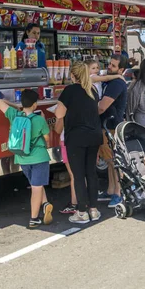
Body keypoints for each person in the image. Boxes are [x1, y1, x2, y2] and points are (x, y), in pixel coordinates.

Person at [0, 90, 53, 228]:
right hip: (39, 158)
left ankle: (45, 204)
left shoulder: (14, 115)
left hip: (21, 158)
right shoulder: (39, 120)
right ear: (35, 105)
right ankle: (34, 218)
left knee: (36, 184)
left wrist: (17, 106)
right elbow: (47, 139)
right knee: (36, 187)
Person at [56, 61, 103, 223]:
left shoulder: (69, 91)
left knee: (78, 175)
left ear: (72, 75)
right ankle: (94, 210)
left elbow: (59, 114)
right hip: (94, 136)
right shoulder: (92, 90)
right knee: (91, 173)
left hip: (76, 137)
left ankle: (82, 211)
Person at [98, 54, 128, 207]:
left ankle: (118, 192)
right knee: (110, 161)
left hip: (111, 126)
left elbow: (102, 106)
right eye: (109, 64)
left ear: (121, 69)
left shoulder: (117, 83)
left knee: (114, 162)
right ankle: (111, 190)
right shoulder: (112, 80)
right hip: (107, 125)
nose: (109, 67)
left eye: (113, 66)